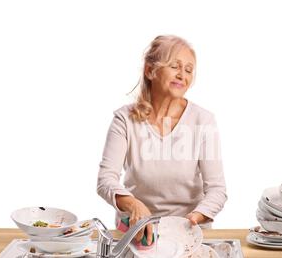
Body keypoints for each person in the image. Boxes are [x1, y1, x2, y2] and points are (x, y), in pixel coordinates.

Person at [97, 35, 227, 245]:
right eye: (174, 66)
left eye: (188, 69)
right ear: (150, 70)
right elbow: (105, 180)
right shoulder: (125, 119)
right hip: (136, 233)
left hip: (188, 234)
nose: (182, 75)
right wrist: (132, 204)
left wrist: (194, 218)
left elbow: (217, 190)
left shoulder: (203, 121)